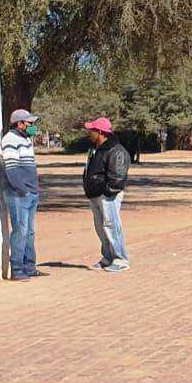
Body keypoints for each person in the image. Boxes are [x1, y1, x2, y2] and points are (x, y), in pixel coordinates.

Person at [0, 109, 45, 281]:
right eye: (29, 123)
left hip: (31, 193)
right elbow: (12, 170)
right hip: (18, 194)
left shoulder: (26, 140)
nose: (32, 126)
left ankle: (30, 266)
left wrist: (33, 190)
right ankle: (17, 269)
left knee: (30, 232)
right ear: (20, 124)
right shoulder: (10, 140)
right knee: (20, 231)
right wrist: (23, 190)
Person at [81, 116, 131, 272]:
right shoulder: (96, 149)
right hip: (95, 194)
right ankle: (108, 256)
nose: (91, 133)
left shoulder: (116, 151)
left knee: (111, 225)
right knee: (100, 227)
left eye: (93, 131)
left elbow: (117, 176)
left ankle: (120, 259)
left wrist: (106, 191)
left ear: (101, 132)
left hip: (107, 195)